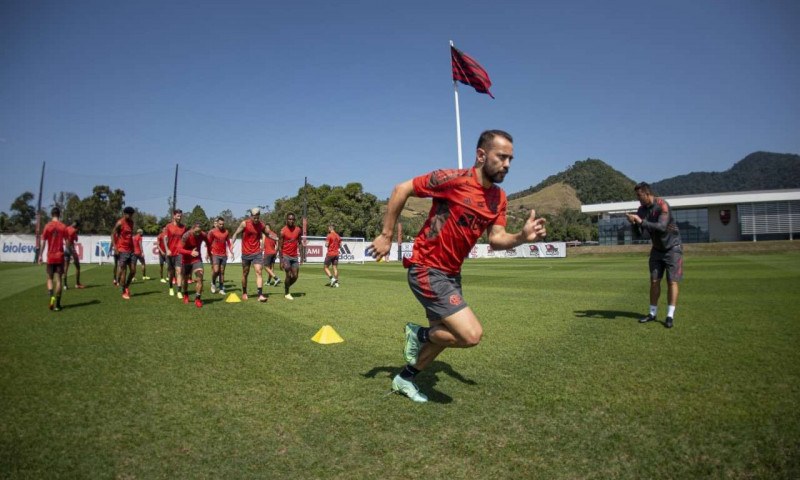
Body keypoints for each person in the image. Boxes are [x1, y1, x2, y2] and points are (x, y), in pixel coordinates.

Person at [367, 130, 547, 403]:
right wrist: (386, 234)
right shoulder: (450, 180)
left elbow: (497, 239)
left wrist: (521, 238)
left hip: (452, 274)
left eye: (511, 159)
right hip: (427, 268)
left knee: (443, 338)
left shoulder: (499, 198)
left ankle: (405, 378)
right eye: (501, 157)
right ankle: (418, 333)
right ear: (481, 155)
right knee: (470, 335)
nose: (507, 165)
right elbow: (401, 189)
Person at [626, 182, 683, 329]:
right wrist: (634, 224)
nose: (638, 199)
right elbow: (641, 235)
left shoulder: (662, 205)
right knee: (654, 281)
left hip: (672, 248)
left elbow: (662, 227)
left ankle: (670, 315)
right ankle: (652, 313)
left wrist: (641, 221)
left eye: (639, 196)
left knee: (672, 281)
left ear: (647, 193)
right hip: (657, 249)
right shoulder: (641, 210)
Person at [232, 207, 268, 302]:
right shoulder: (244, 224)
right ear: (251, 216)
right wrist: (232, 243)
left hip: (257, 252)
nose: (256, 219)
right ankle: (244, 292)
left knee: (259, 271)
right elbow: (236, 233)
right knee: (245, 273)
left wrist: (275, 238)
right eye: (254, 217)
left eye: (257, 217)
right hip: (246, 252)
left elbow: (268, 233)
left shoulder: (261, 225)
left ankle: (260, 295)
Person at [39, 206, 71, 311]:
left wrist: (40, 255)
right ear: (59, 214)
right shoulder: (63, 226)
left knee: (49, 279)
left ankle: (51, 295)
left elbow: (43, 241)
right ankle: (57, 304)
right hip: (60, 256)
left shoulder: (47, 226)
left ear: (51, 214)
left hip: (50, 256)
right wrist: (68, 251)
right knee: (59, 281)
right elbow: (67, 242)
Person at [178, 221, 210, 308]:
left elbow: (208, 243)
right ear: (192, 229)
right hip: (186, 260)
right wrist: (190, 252)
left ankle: (198, 298)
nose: (197, 234)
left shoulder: (202, 234)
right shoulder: (186, 235)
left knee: (200, 277)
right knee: (184, 280)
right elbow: (179, 249)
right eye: (196, 232)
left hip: (197, 259)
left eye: (199, 232)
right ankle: (185, 294)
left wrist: (209, 253)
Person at [111, 206, 136, 300]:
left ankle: (126, 286)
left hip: (131, 250)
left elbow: (130, 236)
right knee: (124, 271)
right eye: (129, 214)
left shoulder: (132, 223)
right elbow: (113, 234)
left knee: (133, 271)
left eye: (132, 214)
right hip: (122, 250)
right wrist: (115, 247)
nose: (131, 216)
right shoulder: (120, 223)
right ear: (125, 214)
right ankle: (123, 292)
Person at [277, 212, 302, 300]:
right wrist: (281, 261)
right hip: (286, 255)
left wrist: (302, 257)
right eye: (289, 219)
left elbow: (300, 243)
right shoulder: (282, 231)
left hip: (294, 256)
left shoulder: (298, 230)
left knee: (295, 276)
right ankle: (287, 293)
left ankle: (286, 287)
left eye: (292, 219)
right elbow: (280, 247)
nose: (291, 221)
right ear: (286, 220)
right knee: (288, 273)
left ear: (294, 220)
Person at [163, 209, 186, 298]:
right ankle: (171, 287)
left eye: (180, 216)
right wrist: (167, 249)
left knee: (179, 271)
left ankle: (179, 291)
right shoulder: (168, 226)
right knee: (171, 272)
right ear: (174, 216)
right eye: (178, 216)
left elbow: (185, 239)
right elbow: (165, 239)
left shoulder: (184, 227)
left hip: (179, 253)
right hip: (170, 253)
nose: (179, 217)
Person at [207, 217, 234, 295]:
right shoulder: (212, 232)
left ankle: (221, 288)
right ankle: (213, 283)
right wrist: (209, 253)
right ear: (217, 223)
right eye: (220, 224)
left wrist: (231, 251)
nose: (221, 225)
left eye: (223, 224)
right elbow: (208, 243)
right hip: (215, 254)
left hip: (223, 255)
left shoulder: (226, 232)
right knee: (216, 270)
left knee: (222, 272)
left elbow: (228, 242)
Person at [62, 219, 84, 289]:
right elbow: (76, 239)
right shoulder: (74, 230)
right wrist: (71, 254)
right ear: (77, 225)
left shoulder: (66, 228)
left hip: (66, 249)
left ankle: (65, 285)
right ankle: (77, 284)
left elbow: (65, 239)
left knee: (66, 268)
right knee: (78, 267)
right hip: (71, 250)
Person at [263, 222, 281, 287]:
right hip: (273, 253)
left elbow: (262, 244)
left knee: (265, 267)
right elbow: (277, 244)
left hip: (268, 253)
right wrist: (275, 251)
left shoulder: (265, 234)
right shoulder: (275, 234)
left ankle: (276, 278)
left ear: (267, 228)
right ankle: (268, 282)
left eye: (266, 228)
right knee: (271, 268)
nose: (265, 229)